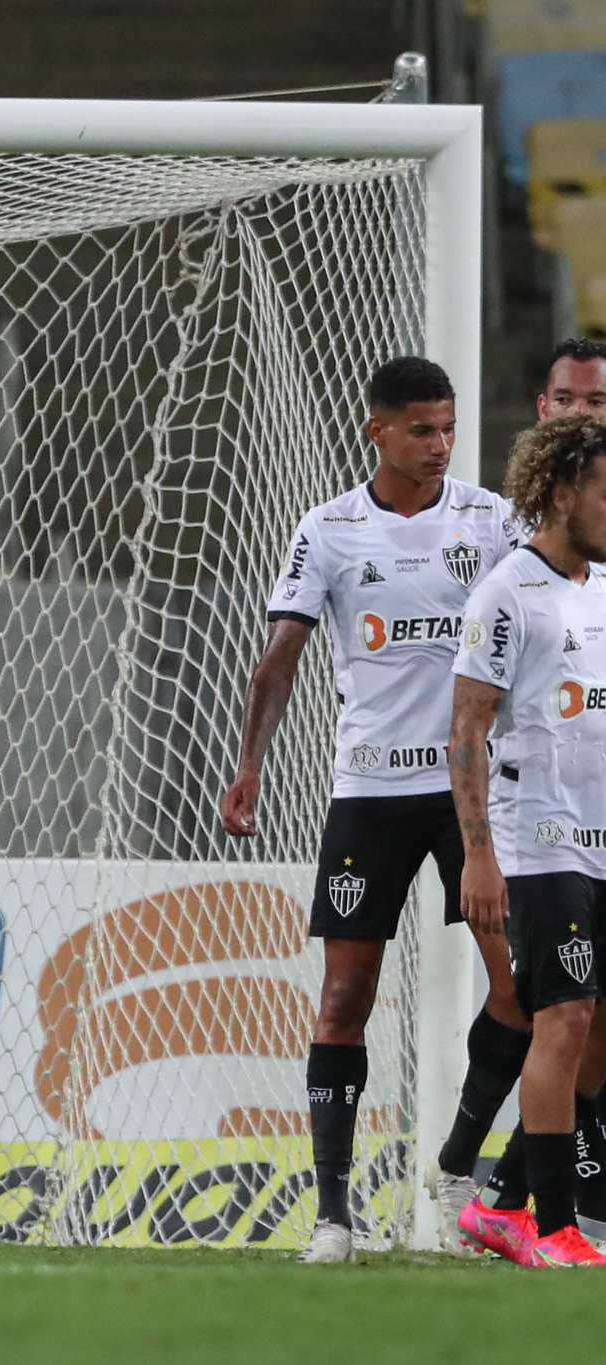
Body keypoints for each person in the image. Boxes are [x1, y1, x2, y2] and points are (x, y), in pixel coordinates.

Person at [218, 356, 521, 1263]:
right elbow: (280, 659)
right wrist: (251, 766)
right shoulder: (330, 530)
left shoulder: (491, 520)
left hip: (472, 794)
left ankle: (458, 1165)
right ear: (377, 430)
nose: (440, 445)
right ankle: (334, 1217)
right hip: (371, 791)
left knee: (523, 985)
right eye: (422, 429)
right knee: (344, 994)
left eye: (449, 427)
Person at [450, 415, 606, 1268]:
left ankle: (503, 1199)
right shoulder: (507, 589)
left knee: (597, 1032)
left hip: (604, 836)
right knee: (564, 1017)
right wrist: (480, 853)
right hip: (541, 844)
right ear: (561, 494)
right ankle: (552, 1226)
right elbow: (467, 727)